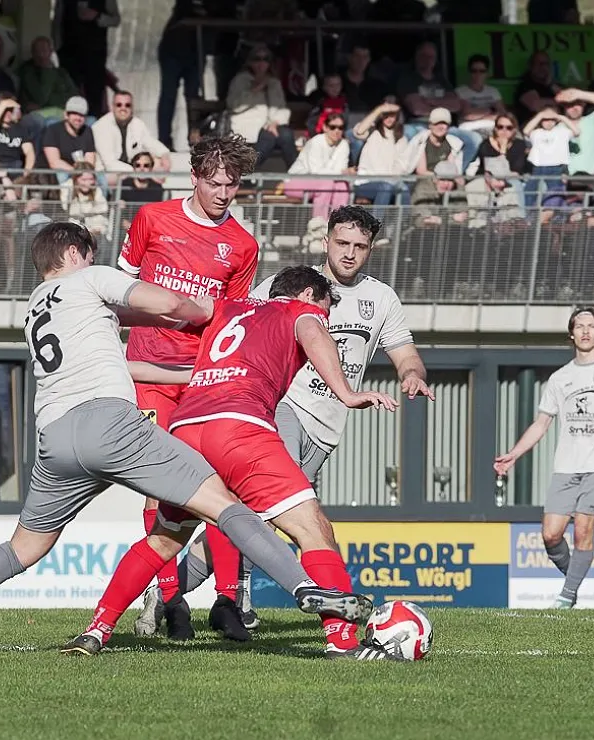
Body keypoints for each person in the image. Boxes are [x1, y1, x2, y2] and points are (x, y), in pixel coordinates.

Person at [0, 223, 370, 653]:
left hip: (55, 440)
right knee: (225, 505)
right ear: (76, 254)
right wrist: (212, 312)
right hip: (111, 426)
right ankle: (306, 589)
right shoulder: (89, 278)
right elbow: (169, 304)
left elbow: (119, 359)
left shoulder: (35, 307)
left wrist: (191, 369)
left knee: (20, 550)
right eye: (89, 253)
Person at [64, 265, 398, 660]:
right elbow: (310, 329)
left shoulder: (225, 307)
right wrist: (346, 392)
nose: (325, 317)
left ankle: (97, 629)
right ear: (307, 295)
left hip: (186, 428)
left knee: (164, 538)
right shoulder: (298, 311)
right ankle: (342, 642)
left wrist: (111, 316)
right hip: (238, 427)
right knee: (313, 530)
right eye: (326, 308)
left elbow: (178, 311)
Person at [156, 206, 433, 633]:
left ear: (371, 250)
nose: (349, 254)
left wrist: (412, 375)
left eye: (360, 247)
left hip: (327, 427)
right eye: (342, 243)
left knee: (257, 516)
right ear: (325, 242)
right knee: (259, 509)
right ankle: (236, 598)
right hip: (279, 407)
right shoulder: (288, 286)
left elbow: (405, 354)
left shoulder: (381, 299)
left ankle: (167, 594)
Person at [119, 134, 261, 641]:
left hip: (205, 381)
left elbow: (232, 321)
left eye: (233, 184)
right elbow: (118, 288)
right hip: (152, 375)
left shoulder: (243, 245)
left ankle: (226, 602)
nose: (224, 192)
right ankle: (168, 599)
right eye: (215, 182)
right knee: (160, 490)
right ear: (195, 178)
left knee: (220, 487)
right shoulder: (152, 218)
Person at [494, 307, 594, 609]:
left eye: (591, 326)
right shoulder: (559, 378)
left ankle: (566, 598)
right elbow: (541, 423)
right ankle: (574, 579)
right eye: (579, 326)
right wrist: (514, 455)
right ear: (571, 334)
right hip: (565, 469)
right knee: (550, 535)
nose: (585, 331)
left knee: (583, 531)